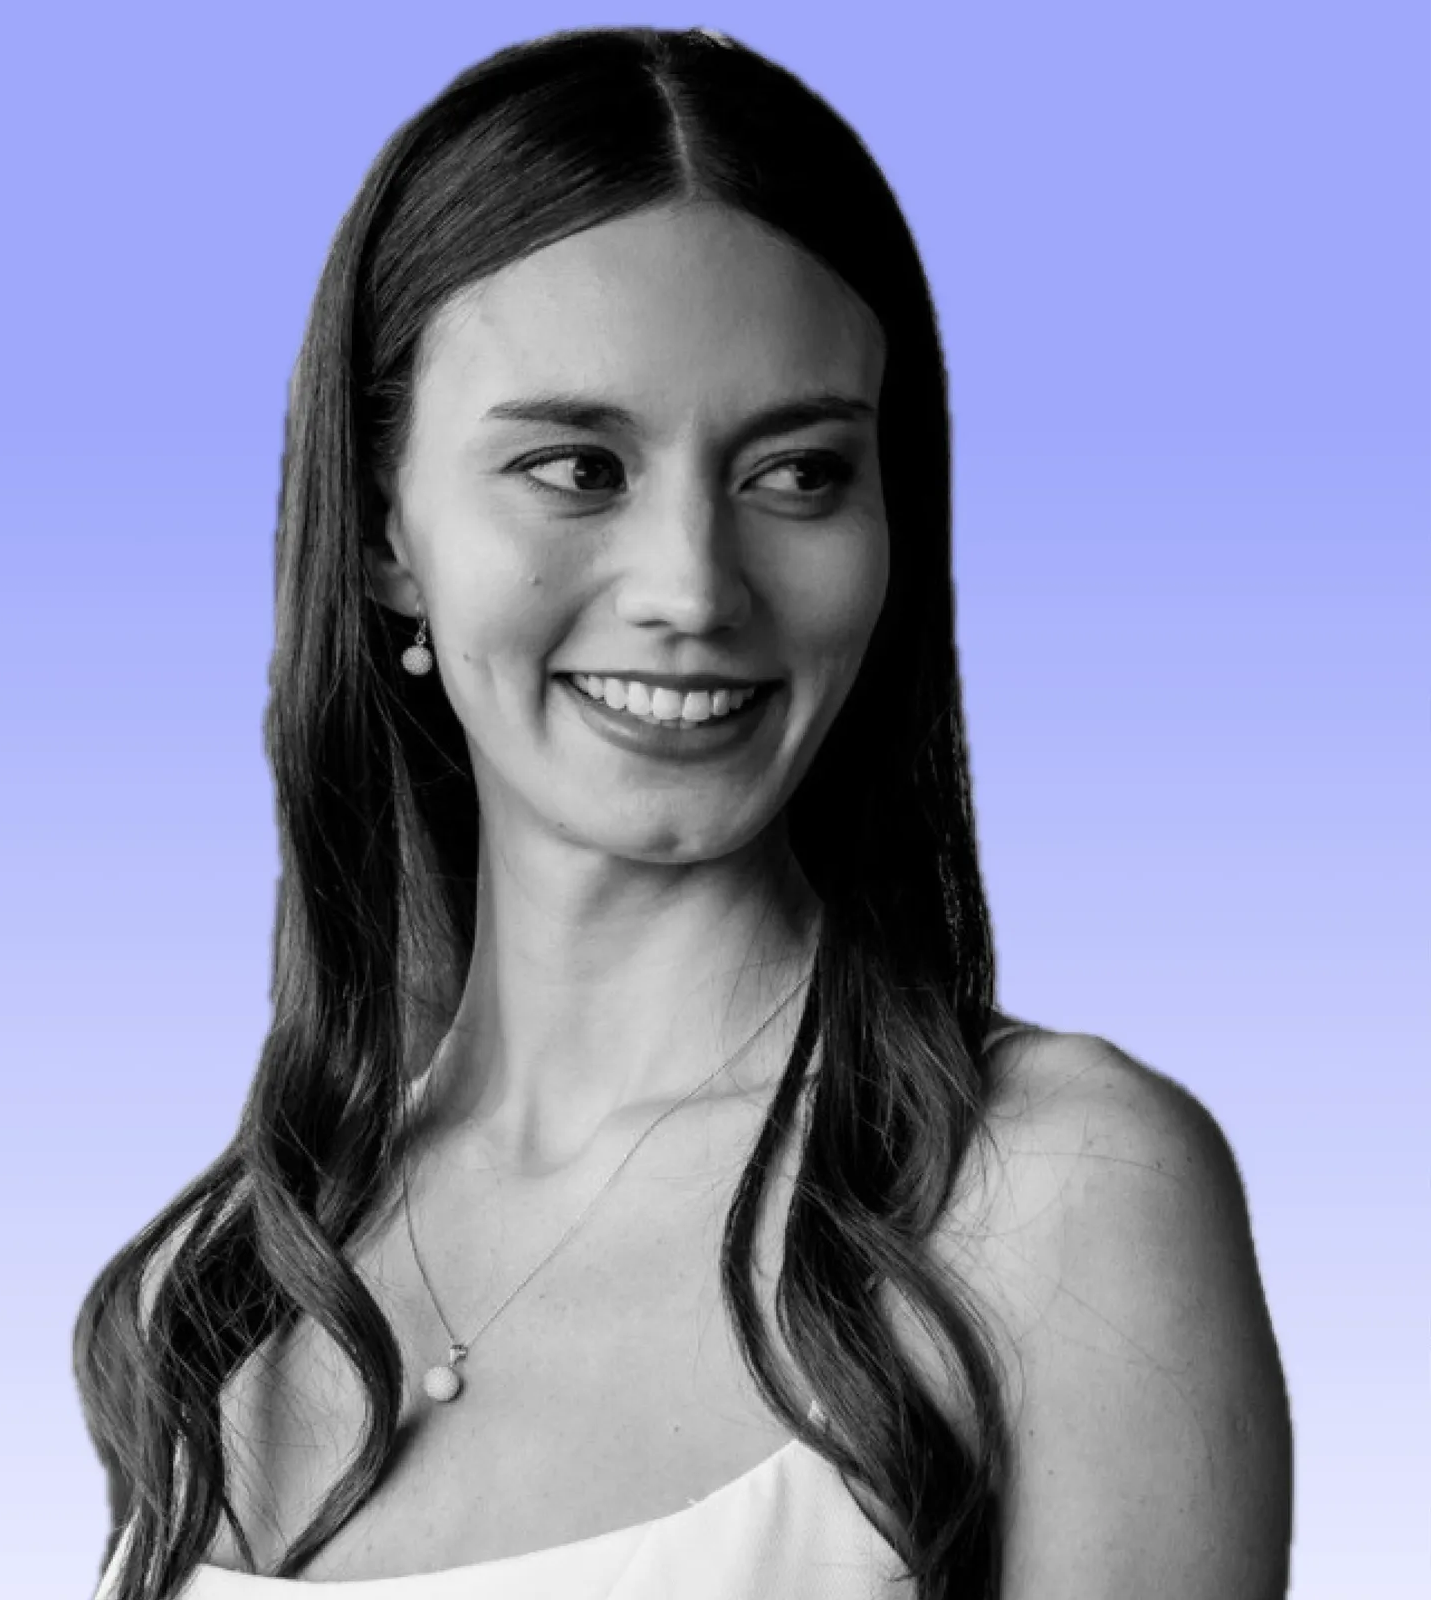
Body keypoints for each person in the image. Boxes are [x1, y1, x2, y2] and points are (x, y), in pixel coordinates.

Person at [77, 24, 1291, 1600]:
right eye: (577, 467)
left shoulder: (1059, 1196)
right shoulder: (234, 1281)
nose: (694, 591)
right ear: (386, 532)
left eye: (798, 474)